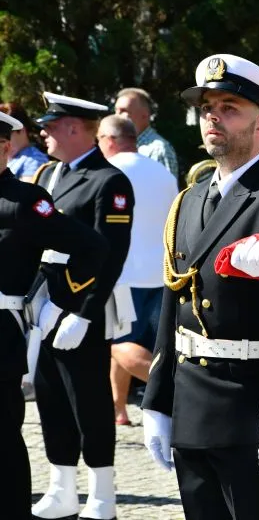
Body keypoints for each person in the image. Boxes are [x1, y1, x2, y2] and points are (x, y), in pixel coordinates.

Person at [141, 53, 259, 520]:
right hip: (191, 406)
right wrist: (157, 401)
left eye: (229, 108)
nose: (213, 118)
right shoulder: (189, 200)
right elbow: (173, 302)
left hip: (250, 408)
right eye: (206, 108)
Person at [31, 92, 135, 520]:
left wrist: (83, 312)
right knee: (50, 397)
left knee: (88, 401)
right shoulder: (48, 174)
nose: (44, 134)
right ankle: (61, 488)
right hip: (45, 302)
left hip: (81, 305)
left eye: (51, 127)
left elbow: (111, 254)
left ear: (75, 128)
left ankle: (102, 494)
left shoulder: (108, 181)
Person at [0, 111, 108, 520]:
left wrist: (59, 301)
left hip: (1, 335)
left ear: (5, 148)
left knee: (3, 442)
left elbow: (91, 247)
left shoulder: (24, 201)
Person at [96, 114, 178, 426]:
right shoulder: (162, 172)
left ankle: (178, 393)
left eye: (99, 139)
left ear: (110, 140)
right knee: (131, 342)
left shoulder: (109, 171)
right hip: (159, 273)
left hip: (123, 274)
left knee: (117, 346)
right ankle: (118, 408)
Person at [114, 87, 179, 177]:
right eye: (116, 111)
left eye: (123, 111)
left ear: (144, 114)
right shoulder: (119, 147)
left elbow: (164, 185)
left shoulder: (158, 150)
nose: (116, 117)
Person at [0, 102, 49, 182]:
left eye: (6, 136)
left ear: (21, 130)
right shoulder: (10, 157)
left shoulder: (35, 159)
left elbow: (27, 189)